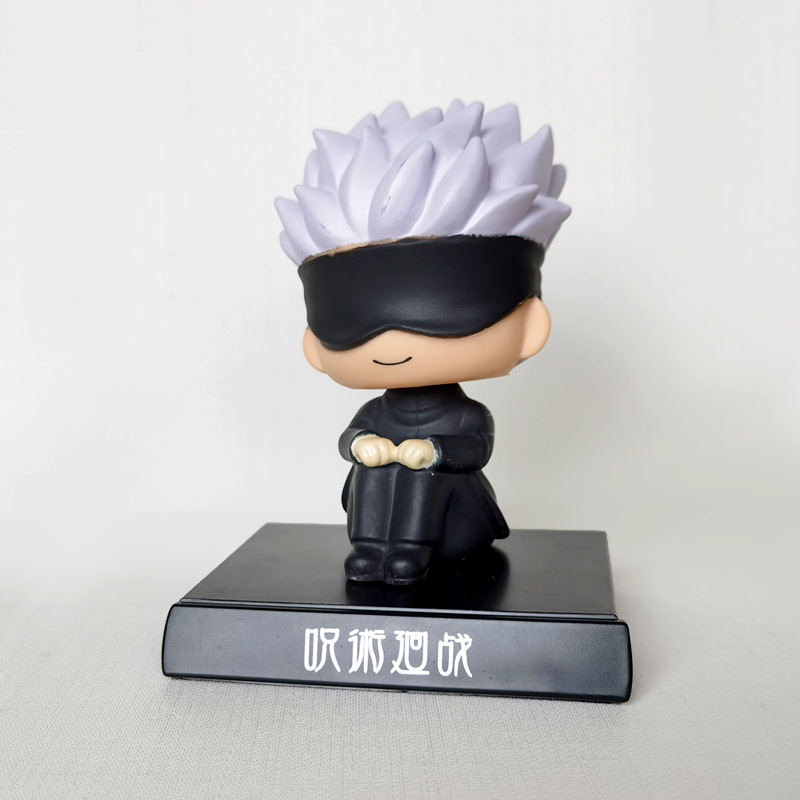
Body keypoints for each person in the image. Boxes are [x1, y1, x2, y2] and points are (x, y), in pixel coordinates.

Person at [276, 101, 570, 584]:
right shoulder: (377, 412)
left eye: (443, 316)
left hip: (454, 523)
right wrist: (362, 444)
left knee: (422, 475)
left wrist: (434, 451)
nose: (391, 340)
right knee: (371, 471)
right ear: (315, 344)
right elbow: (349, 438)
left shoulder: (466, 415)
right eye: (347, 322)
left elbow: (475, 448)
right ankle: (369, 548)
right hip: (379, 515)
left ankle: (411, 551)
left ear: (530, 326)